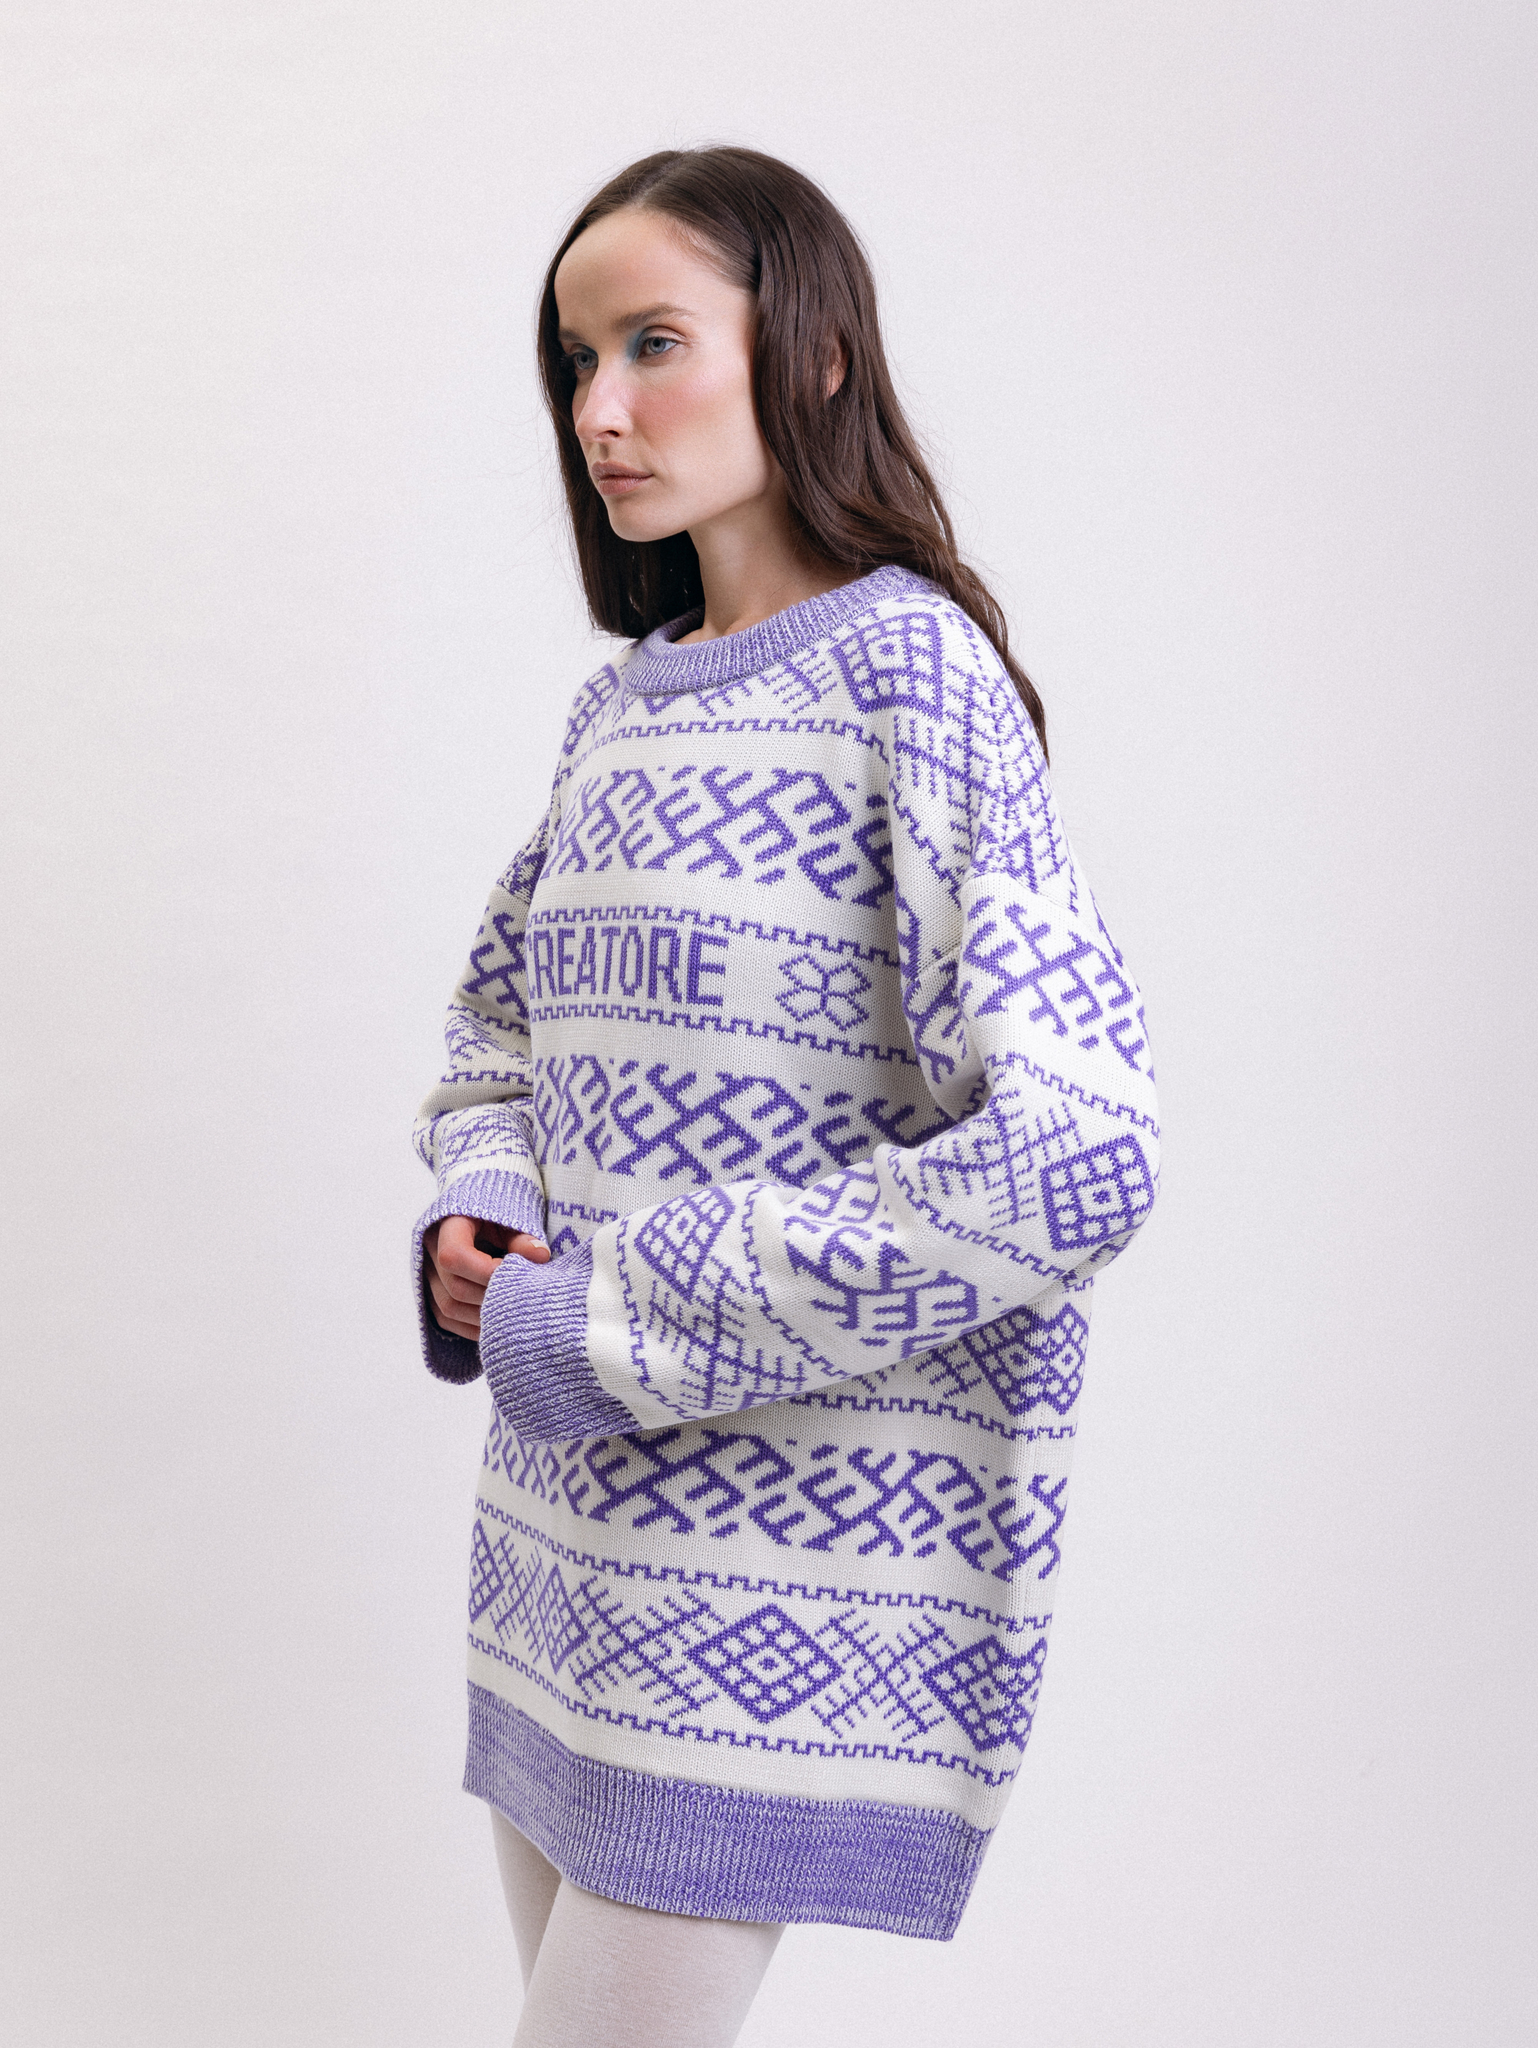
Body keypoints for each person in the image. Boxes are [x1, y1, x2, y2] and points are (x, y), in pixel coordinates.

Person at [411, 145, 1159, 2048]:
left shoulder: (914, 678)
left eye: (652, 343)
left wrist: (609, 1309)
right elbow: (495, 1037)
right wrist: (482, 1212)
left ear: (812, 353)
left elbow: (1080, 1155)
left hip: (776, 1601)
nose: (598, 410)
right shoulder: (624, 705)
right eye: (574, 360)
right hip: (560, 1570)